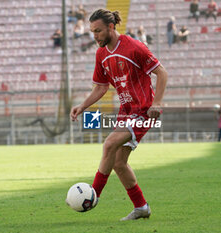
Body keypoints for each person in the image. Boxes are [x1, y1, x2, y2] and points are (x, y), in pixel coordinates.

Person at [70, 9, 168, 221]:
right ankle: (141, 207)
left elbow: (162, 72)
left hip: (143, 110)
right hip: (126, 112)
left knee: (109, 144)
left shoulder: (133, 47)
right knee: (118, 163)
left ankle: (92, 196)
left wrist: (157, 103)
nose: (95, 36)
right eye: (92, 32)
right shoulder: (101, 54)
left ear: (111, 27)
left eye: (98, 31)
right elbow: (100, 88)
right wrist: (82, 106)